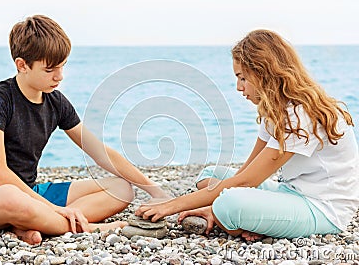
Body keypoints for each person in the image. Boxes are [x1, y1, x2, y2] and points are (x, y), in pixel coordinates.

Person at [0, 15, 170, 245]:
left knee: (121, 189)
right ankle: (88, 227)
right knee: (10, 198)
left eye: (62, 66)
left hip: (32, 192)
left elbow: (101, 153)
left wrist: (156, 192)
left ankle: (31, 224)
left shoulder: (56, 101)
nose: (59, 76)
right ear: (22, 65)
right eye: (50, 69)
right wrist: (54, 208)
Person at [136, 29, 359, 241]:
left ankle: (248, 219)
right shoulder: (274, 110)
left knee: (229, 203)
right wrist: (210, 202)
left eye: (242, 78)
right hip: (290, 191)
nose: (238, 87)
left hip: (323, 209)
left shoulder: (300, 115)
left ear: (264, 73)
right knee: (210, 175)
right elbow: (246, 171)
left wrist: (170, 205)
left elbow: (246, 181)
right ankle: (257, 221)